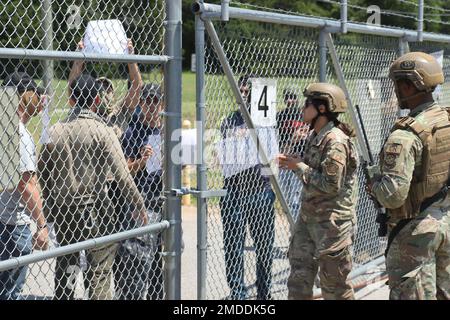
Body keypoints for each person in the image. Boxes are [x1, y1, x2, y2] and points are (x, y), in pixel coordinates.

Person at [38, 74, 148, 300]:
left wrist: (49, 204)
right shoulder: (103, 131)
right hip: (96, 209)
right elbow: (122, 175)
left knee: (68, 262)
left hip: (64, 209)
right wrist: (138, 203)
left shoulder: (54, 131)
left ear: (71, 99)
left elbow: (43, 172)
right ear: (97, 100)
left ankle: (65, 296)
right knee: (99, 268)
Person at [366, 52, 450, 300]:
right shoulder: (445, 119)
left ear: (408, 84)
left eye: (396, 84)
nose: (395, 91)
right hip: (445, 221)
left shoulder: (406, 134)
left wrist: (375, 185)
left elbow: (392, 197)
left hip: (415, 231)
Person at [278, 82, 358, 300]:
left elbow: (331, 184)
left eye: (307, 104)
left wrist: (299, 167)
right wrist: (296, 163)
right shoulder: (317, 135)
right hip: (310, 219)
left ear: (322, 109)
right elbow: (315, 172)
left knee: (335, 287)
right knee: (298, 281)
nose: (303, 109)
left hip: (331, 224)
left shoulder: (335, 141)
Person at [219, 75, 275, 300]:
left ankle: (264, 292)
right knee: (233, 247)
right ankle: (238, 294)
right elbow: (224, 157)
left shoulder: (265, 120)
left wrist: (247, 140)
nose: (242, 94)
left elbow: (269, 156)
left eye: (246, 90)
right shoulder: (229, 121)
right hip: (234, 191)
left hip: (261, 190)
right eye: (240, 90)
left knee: (264, 247)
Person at [0, 72, 49, 299]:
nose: (39, 98)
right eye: (35, 93)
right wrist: (41, 225)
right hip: (12, 225)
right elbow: (26, 185)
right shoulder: (18, 133)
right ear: (22, 96)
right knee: (11, 292)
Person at [114, 83, 164, 300]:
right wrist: (142, 162)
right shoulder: (133, 132)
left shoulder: (168, 129)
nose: (151, 106)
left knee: (159, 260)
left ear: (161, 103)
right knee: (137, 257)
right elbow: (123, 170)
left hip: (164, 199)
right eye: (147, 101)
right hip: (141, 200)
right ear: (141, 103)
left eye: (155, 101)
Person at [67, 38, 142, 137]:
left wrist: (131, 59)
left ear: (114, 96)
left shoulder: (119, 113)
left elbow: (137, 86)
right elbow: (73, 88)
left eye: (107, 88)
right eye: (99, 86)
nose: (103, 90)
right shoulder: (83, 111)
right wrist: (79, 59)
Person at [276, 89, 309, 222]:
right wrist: (293, 139)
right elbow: (278, 142)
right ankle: (294, 228)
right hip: (284, 160)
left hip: (299, 161)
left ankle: (296, 230)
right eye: (287, 97)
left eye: (293, 97)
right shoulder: (280, 116)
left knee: (297, 199)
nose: (290, 100)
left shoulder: (303, 116)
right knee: (287, 199)